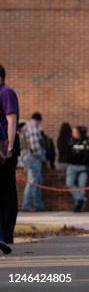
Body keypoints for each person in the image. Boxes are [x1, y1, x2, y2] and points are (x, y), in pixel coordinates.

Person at [0, 64, 19, 248]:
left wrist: (10, 147)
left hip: (5, 146)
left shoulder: (6, 92)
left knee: (6, 191)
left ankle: (7, 234)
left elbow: (11, 120)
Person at [66, 125, 89, 212]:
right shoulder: (70, 141)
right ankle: (80, 199)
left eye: (75, 132)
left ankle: (78, 206)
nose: (73, 134)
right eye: (73, 132)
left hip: (84, 167)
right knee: (69, 183)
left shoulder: (88, 141)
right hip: (72, 166)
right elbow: (66, 153)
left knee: (81, 186)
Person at [19, 117, 47, 212]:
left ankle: (38, 205)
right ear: (38, 121)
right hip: (33, 158)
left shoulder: (22, 128)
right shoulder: (32, 128)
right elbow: (35, 146)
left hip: (25, 158)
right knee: (33, 182)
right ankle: (27, 204)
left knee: (35, 181)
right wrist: (42, 157)